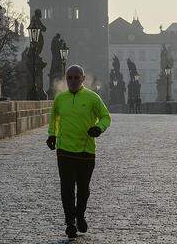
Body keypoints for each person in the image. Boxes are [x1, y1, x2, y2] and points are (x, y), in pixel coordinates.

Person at [46, 65, 112, 239]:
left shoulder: (92, 98)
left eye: (76, 77)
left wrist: (99, 128)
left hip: (86, 150)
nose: (73, 81)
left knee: (83, 189)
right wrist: (52, 135)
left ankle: (80, 214)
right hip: (64, 150)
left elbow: (106, 117)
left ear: (83, 79)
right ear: (66, 79)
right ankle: (70, 223)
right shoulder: (60, 99)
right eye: (70, 77)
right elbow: (54, 119)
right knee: (66, 188)